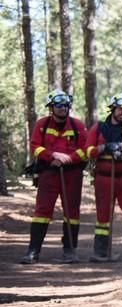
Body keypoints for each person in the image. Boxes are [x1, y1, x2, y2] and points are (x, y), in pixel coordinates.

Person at [20, 89, 88, 264]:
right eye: (58, 105)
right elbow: (35, 146)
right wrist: (53, 157)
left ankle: (70, 251)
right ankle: (33, 252)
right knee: (42, 211)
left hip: (72, 174)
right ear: (51, 107)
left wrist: (68, 159)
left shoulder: (77, 125)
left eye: (65, 105)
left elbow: (85, 149)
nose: (63, 108)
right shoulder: (42, 124)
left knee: (72, 212)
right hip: (48, 173)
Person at [85, 93, 122, 262]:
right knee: (102, 215)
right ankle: (100, 251)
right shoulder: (99, 128)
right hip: (104, 178)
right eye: (120, 109)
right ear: (112, 109)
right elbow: (88, 150)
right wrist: (103, 148)